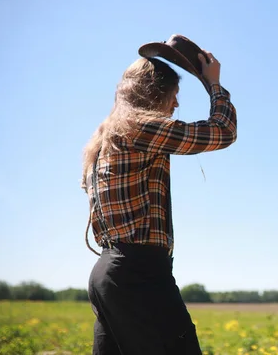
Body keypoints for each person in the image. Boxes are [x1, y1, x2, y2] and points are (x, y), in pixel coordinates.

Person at [80, 35, 237, 354]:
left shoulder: (103, 139)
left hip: (109, 273)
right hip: (140, 274)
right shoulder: (138, 130)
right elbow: (222, 132)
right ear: (154, 93)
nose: (176, 105)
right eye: (174, 95)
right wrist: (213, 85)